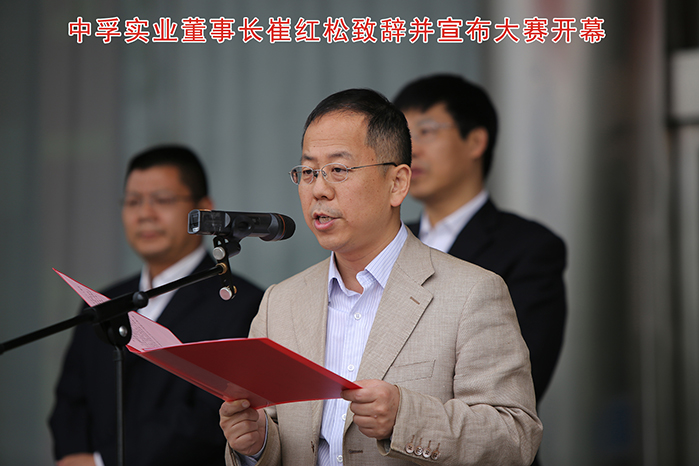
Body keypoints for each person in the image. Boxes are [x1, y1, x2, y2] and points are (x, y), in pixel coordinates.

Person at [219, 89, 542, 466]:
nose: (319, 189)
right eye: (308, 172)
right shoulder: (280, 303)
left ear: (397, 183)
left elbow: (515, 438)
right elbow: (274, 432)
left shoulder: (471, 293)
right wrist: (257, 444)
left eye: (339, 170)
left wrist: (405, 417)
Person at [49, 145, 264, 466]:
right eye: (133, 201)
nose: (145, 214)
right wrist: (75, 457)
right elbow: (70, 403)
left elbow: (211, 420)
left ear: (204, 210)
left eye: (162, 200)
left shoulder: (242, 303)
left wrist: (101, 462)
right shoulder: (101, 303)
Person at [393, 74, 567, 403]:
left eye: (427, 131)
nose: (410, 150)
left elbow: (521, 381)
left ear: (475, 141)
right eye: (404, 135)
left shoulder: (530, 248)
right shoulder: (390, 241)